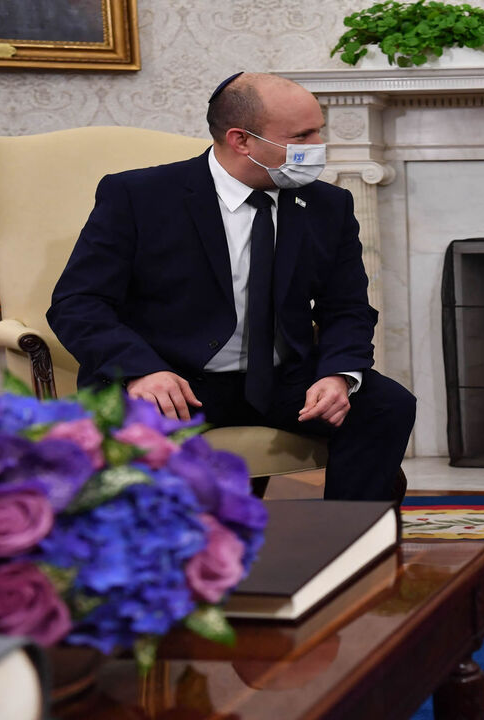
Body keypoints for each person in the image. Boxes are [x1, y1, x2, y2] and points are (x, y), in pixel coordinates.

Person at [49, 72, 416, 502]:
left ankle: (349, 546)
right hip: (172, 378)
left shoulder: (328, 205)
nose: (318, 146)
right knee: (126, 436)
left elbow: (348, 308)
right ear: (241, 140)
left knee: (385, 405)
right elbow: (78, 303)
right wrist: (141, 370)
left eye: (319, 130)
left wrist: (338, 375)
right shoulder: (139, 196)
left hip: (283, 378)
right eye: (303, 135)